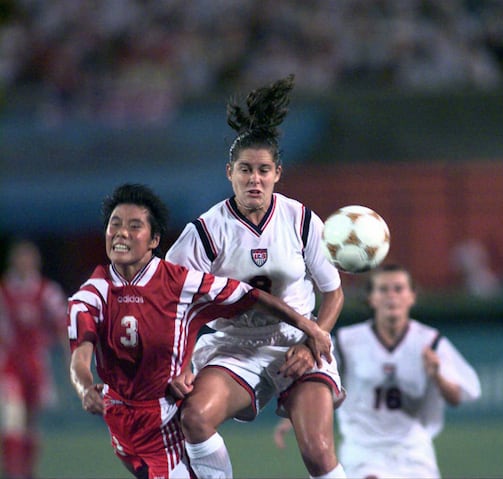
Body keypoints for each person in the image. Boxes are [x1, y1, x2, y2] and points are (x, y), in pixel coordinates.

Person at [67, 183, 332, 479]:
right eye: (114, 225)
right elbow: (80, 356)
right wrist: (84, 389)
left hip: (168, 419)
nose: (121, 233)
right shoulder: (93, 293)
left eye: (134, 226)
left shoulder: (179, 284)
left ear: (154, 239)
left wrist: (308, 327)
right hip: (124, 423)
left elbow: (250, 296)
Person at [166, 75, 347, 479]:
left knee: (318, 453)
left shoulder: (300, 220)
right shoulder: (205, 232)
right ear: (229, 172)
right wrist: (179, 363)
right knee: (194, 418)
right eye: (245, 170)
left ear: (278, 173)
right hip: (235, 345)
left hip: (295, 341)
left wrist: (311, 339)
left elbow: (333, 293)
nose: (255, 179)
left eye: (264, 170)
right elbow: (172, 304)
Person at [274, 265, 482, 479]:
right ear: (371, 298)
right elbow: (318, 381)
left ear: (412, 296)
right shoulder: (348, 342)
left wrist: (437, 375)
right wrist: (294, 419)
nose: (391, 296)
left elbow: (456, 397)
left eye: (398, 289)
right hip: (364, 453)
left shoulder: (430, 342)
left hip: (414, 453)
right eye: (383, 290)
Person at [0, 239, 68, 479]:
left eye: (28, 258)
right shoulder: (4, 291)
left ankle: (27, 471)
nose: (24, 262)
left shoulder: (46, 291)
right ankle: (12, 472)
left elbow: (63, 324)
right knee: (12, 419)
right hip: (9, 364)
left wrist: (70, 358)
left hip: (37, 364)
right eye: (20, 257)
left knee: (30, 423)